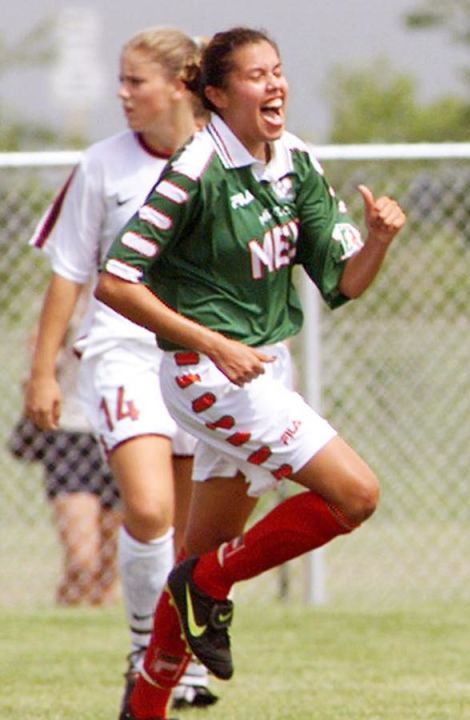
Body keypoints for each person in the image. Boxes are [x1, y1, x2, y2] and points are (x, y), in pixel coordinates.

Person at [95, 27, 405, 720]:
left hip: (263, 369)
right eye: (255, 76)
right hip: (212, 374)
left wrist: (378, 239)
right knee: (355, 495)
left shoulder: (295, 160)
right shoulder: (195, 167)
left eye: (279, 71)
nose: (275, 85)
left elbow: (343, 283)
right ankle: (208, 584)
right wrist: (214, 344)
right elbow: (116, 282)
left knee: (193, 556)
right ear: (215, 93)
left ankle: (145, 700)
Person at [22, 27, 218, 709]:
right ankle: (146, 645)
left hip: (200, 358)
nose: (122, 93)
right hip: (119, 353)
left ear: (179, 85)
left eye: (136, 81)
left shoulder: (221, 158)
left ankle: (178, 655)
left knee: (195, 532)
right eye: (121, 79)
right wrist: (43, 372)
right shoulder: (102, 164)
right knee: (148, 506)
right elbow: (69, 274)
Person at [11, 336, 122, 607]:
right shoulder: (72, 298)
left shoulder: (150, 295)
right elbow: (37, 350)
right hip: (71, 431)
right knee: (82, 561)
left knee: (113, 566)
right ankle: (66, 616)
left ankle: (96, 639)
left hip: (125, 429)